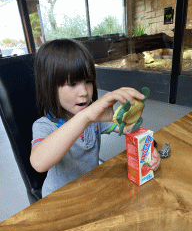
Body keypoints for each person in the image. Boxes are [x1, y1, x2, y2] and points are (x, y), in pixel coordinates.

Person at [30, 38, 160, 197]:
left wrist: (148, 150)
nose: (84, 92)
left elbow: (128, 129)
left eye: (88, 82)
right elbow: (39, 163)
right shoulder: (44, 125)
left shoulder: (95, 119)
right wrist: (86, 117)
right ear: (50, 87)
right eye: (72, 84)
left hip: (90, 189)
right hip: (59, 199)